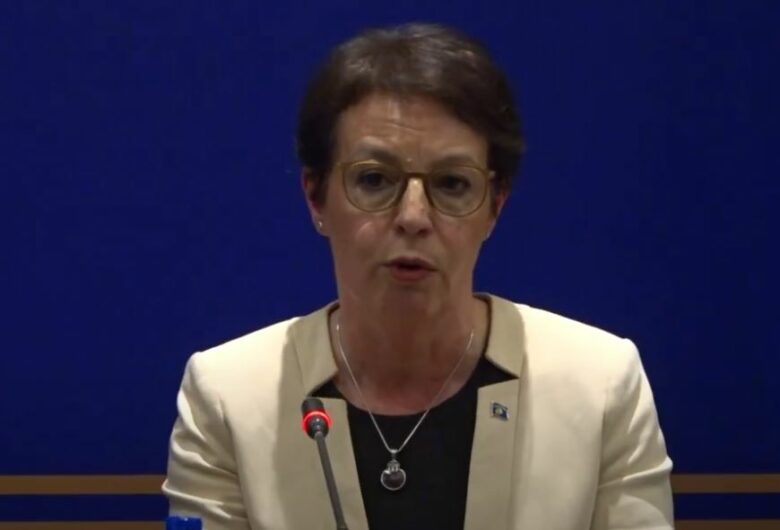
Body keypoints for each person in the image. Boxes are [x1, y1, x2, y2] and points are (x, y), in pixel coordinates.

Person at [162, 23, 674, 529]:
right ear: (315, 197)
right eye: (374, 179)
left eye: (451, 183)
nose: (413, 216)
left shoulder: (600, 385)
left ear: (495, 206)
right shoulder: (228, 397)